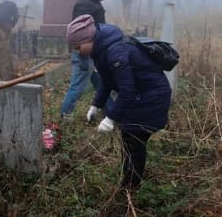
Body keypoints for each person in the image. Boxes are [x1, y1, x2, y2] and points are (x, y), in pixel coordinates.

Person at [66, 14, 172, 191]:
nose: (77, 51)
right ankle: (127, 181)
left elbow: (127, 89)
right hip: (141, 96)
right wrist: (96, 105)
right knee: (128, 137)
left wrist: (110, 118)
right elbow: (107, 80)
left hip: (151, 98)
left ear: (89, 39)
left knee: (135, 140)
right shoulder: (102, 49)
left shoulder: (115, 51)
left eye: (78, 46)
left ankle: (131, 187)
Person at [60, 0, 112, 119]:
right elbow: (78, 32)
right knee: (77, 87)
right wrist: (84, 50)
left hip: (93, 52)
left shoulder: (92, 2)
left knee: (101, 83)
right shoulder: (85, 5)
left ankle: (111, 111)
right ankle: (65, 117)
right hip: (85, 53)